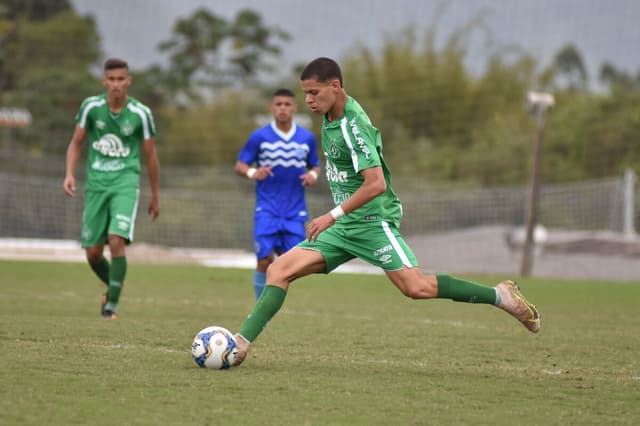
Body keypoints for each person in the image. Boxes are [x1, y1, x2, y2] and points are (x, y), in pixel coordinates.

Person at [230, 57, 540, 366]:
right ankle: (240, 344)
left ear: (335, 86)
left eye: (314, 92)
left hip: (373, 222)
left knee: (416, 287)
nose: (308, 100)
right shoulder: (330, 115)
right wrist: (336, 218)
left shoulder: (353, 126)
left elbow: (376, 184)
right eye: (305, 94)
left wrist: (330, 215)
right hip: (342, 229)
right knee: (278, 270)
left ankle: (500, 295)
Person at [63, 58, 160, 320]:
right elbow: (76, 143)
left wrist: (155, 196)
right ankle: (114, 283)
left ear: (129, 81)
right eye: (112, 79)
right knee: (93, 253)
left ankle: (111, 307)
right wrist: (70, 174)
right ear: (104, 81)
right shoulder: (91, 108)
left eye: (121, 79)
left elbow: (151, 157)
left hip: (125, 182)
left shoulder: (141, 113)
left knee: (116, 238)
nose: (117, 84)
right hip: (96, 184)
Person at [235, 88, 320, 300]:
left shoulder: (306, 138)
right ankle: (259, 306)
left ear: (294, 108)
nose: (282, 108)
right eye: (278, 104)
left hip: (295, 211)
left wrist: (313, 176)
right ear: (271, 108)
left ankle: (273, 301)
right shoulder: (259, 136)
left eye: (287, 104)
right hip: (267, 209)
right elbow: (240, 165)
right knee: (264, 260)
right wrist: (254, 172)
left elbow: (315, 166)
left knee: (291, 264)